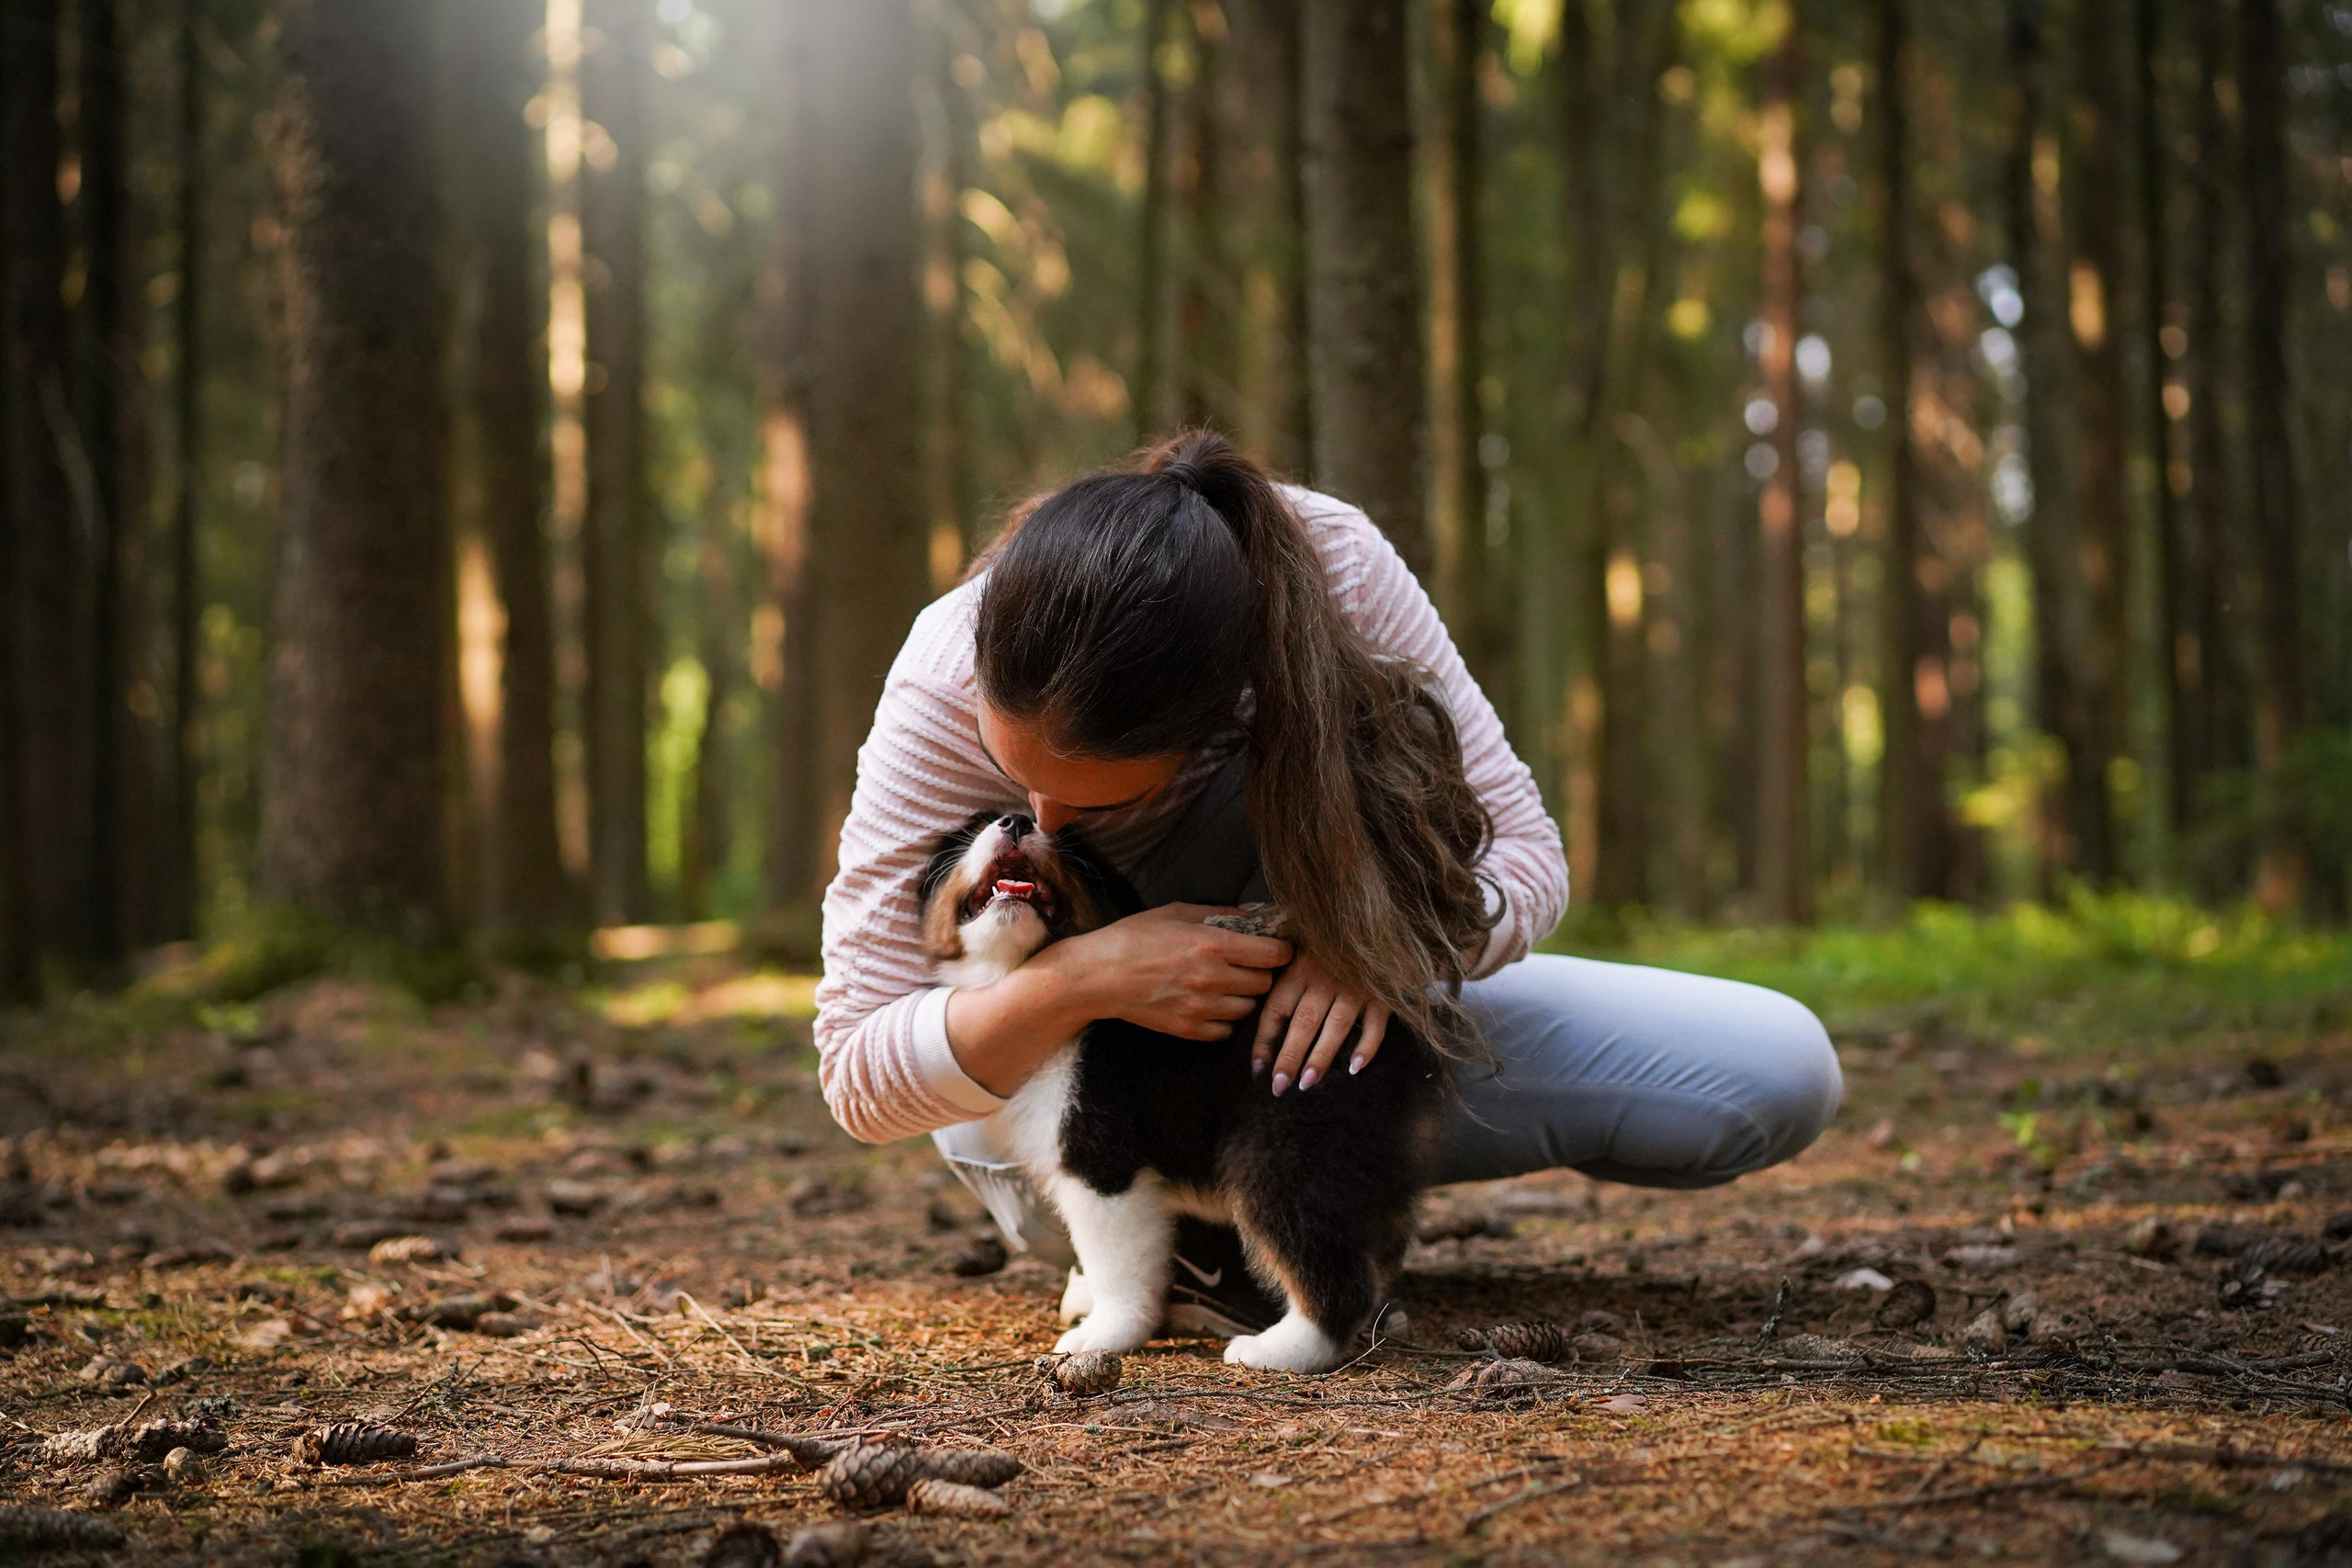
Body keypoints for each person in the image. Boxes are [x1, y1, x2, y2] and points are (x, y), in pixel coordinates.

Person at [814, 430, 1842, 1334]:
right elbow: (858, 1072)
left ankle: (1319, 1198)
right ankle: (1205, 1247)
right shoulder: (940, 675)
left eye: (1090, 807)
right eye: (1017, 785)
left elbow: (1525, 861)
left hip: (1330, 1064)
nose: (1042, 826)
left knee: (1772, 1071)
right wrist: (1081, 980)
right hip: (1089, 1117)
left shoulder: (1328, 567)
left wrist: (1367, 946)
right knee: (1070, 1182)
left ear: (1219, 713)